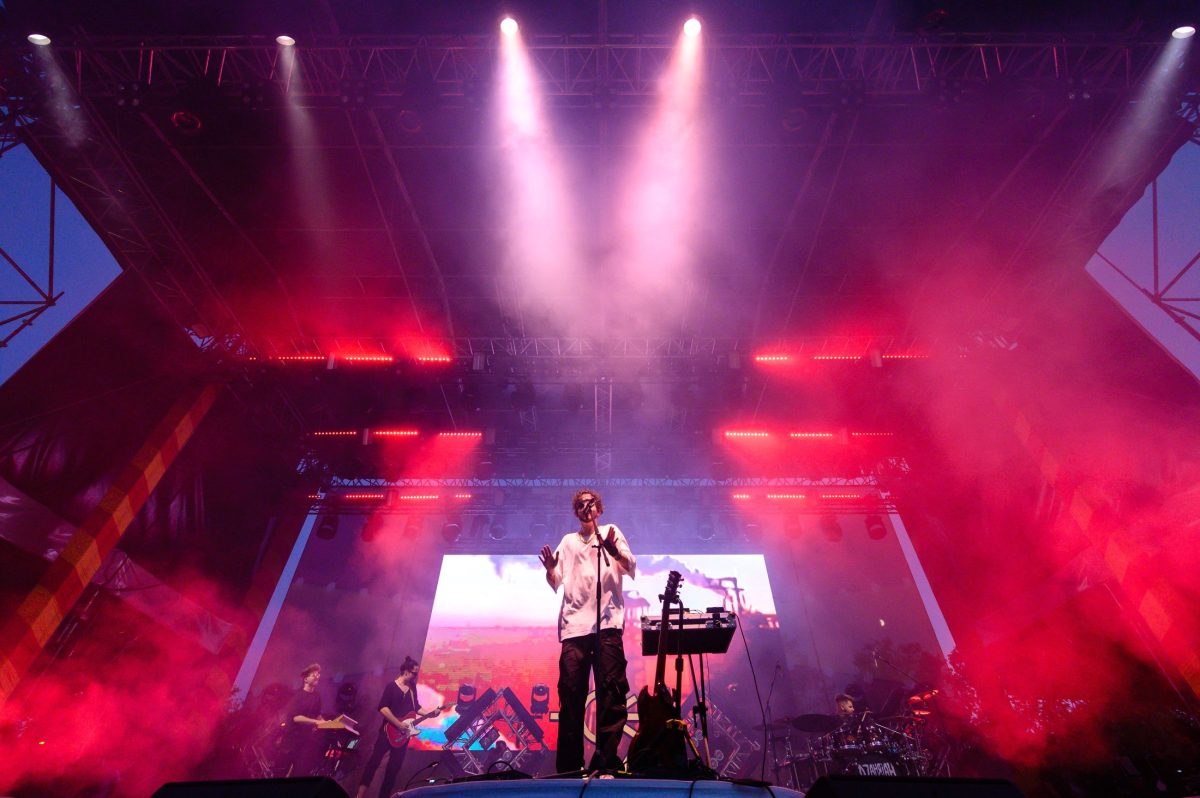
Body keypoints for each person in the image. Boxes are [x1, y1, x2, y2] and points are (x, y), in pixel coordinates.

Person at [539, 488, 637, 774]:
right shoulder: (568, 542)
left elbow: (630, 566)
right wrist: (550, 569)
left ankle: (606, 764)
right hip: (574, 628)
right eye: (581, 505)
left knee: (611, 694)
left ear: (599, 509)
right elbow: (556, 579)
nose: (586, 507)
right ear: (576, 512)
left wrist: (613, 551)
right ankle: (569, 768)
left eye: (590, 503)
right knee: (571, 696)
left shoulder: (610, 532)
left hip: (607, 625)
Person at [356, 657, 424, 798]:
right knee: (374, 762)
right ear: (406, 671)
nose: (415, 676)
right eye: (414, 673)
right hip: (387, 732)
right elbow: (383, 708)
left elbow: (416, 707)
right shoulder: (391, 687)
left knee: (393, 769)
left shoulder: (412, 688)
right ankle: (360, 795)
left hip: (403, 736)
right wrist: (398, 724)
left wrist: (432, 712)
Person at [276, 663, 325, 776]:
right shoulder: (298, 695)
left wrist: (327, 723)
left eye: (318, 674)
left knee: (299, 774)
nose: (317, 676)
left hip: (305, 743)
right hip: (290, 742)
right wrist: (316, 722)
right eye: (314, 675)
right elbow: (296, 717)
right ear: (306, 679)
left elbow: (317, 715)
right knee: (280, 774)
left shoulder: (317, 697)